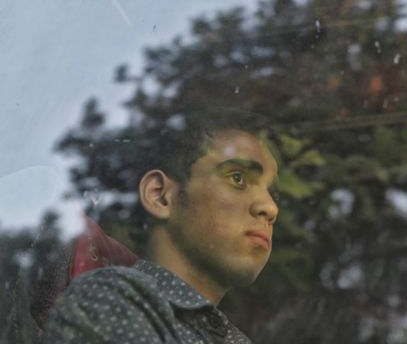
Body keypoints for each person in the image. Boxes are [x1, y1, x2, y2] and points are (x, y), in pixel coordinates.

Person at [42, 116, 280, 344]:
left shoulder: (232, 338)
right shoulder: (113, 300)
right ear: (160, 196)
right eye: (237, 178)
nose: (271, 207)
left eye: (273, 193)